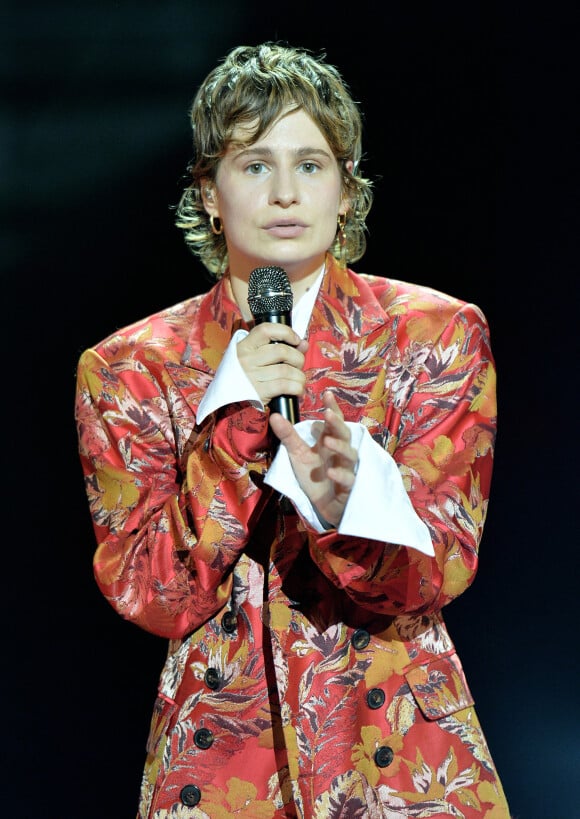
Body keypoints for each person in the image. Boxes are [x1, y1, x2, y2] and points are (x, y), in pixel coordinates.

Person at [75, 42, 511, 818]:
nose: (284, 192)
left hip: (397, 751)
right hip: (224, 762)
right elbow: (150, 591)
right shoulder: (131, 367)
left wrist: (351, 507)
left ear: (347, 193)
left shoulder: (433, 337)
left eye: (310, 165)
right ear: (209, 192)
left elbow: (441, 568)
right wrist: (237, 422)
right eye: (253, 165)